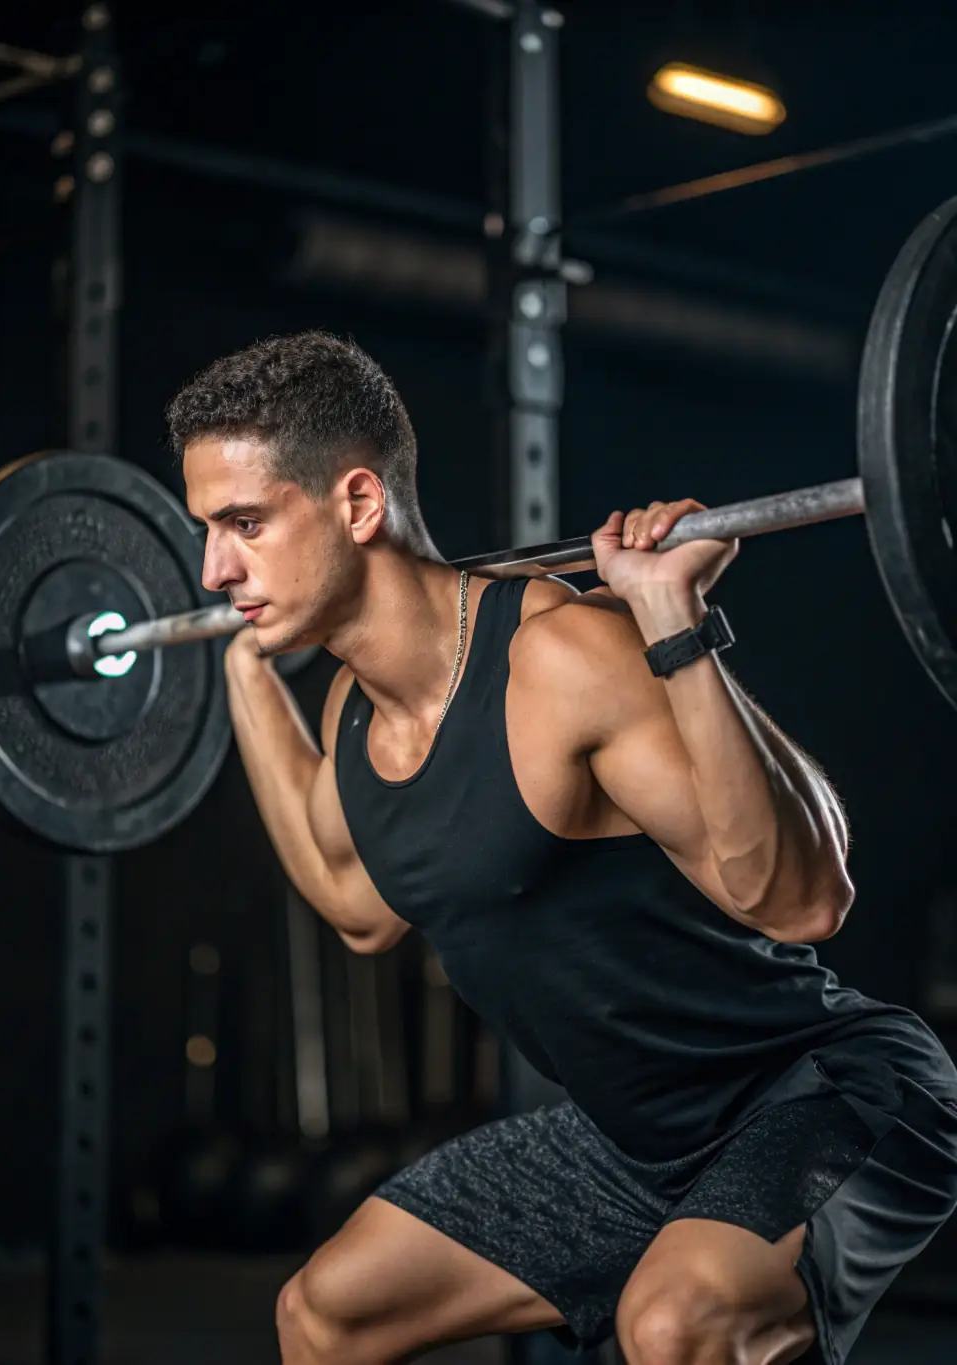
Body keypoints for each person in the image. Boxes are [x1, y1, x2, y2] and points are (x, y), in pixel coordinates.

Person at [167, 331, 957, 1365]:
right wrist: (244, 680)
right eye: (207, 531)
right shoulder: (354, 712)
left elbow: (802, 898)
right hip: (637, 1142)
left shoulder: (561, 654)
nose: (215, 568)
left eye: (244, 525)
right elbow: (357, 908)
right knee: (325, 1314)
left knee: (674, 1326)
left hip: (819, 1093)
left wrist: (671, 623)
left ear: (357, 504)